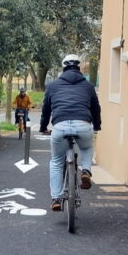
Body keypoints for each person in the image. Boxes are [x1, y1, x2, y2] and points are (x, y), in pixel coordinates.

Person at [39, 54, 101, 211]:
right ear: (79, 67)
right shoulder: (88, 86)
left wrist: (43, 127)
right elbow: (96, 108)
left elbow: (46, 110)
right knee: (87, 147)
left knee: (56, 161)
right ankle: (85, 171)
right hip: (83, 124)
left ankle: (56, 198)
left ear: (63, 67)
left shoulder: (53, 86)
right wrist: (97, 126)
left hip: (60, 126)